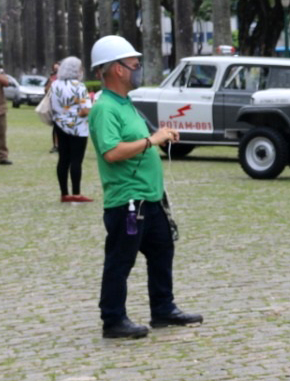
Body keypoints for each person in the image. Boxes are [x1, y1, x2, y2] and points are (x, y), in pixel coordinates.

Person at [88, 36, 202, 339]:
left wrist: (161, 135)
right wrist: (152, 140)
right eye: (135, 65)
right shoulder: (105, 109)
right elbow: (111, 152)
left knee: (162, 249)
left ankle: (163, 309)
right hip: (127, 201)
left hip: (149, 198)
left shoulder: (126, 104)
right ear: (117, 69)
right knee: (120, 260)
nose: (139, 70)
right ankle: (113, 319)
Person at [51, 56, 94, 203]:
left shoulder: (55, 84)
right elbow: (86, 109)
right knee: (76, 160)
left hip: (60, 124)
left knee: (63, 159)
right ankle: (76, 193)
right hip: (78, 127)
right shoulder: (79, 86)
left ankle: (64, 193)